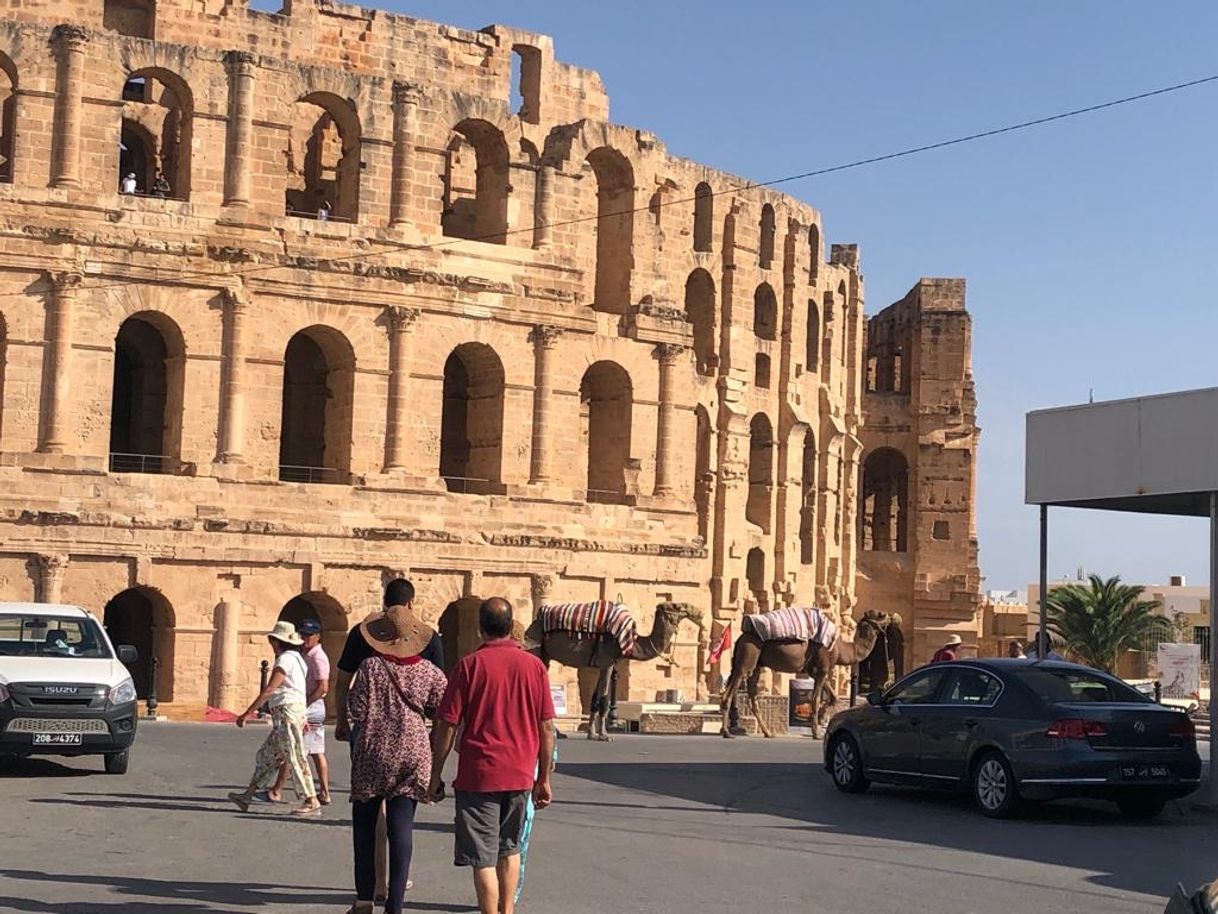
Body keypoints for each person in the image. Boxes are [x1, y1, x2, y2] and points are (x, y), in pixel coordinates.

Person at [428, 598, 555, 914]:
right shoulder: (535, 667)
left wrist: (435, 774)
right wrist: (544, 779)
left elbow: (447, 725)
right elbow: (547, 727)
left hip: (479, 775)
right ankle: (507, 910)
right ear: (512, 626)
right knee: (509, 850)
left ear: (479, 628)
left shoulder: (469, 666)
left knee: (482, 856)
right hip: (521, 774)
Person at [335, 578, 442, 900]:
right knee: (401, 828)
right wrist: (435, 755)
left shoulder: (368, 664)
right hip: (413, 749)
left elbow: (350, 697)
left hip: (372, 746)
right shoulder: (430, 665)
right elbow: (442, 710)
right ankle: (395, 903)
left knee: (366, 827)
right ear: (411, 605)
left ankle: (366, 898)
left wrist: (342, 722)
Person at [227, 622, 320, 817]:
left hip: (288, 712)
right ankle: (248, 794)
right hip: (287, 713)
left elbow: (270, 689)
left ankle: (311, 800)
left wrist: (247, 713)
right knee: (267, 755)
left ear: (277, 641)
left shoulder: (285, 659)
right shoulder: (297, 658)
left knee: (295, 755)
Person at [265, 618, 331, 804]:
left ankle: (280, 791)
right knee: (314, 750)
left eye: (309, 635)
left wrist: (304, 703)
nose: (305, 638)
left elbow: (323, 687)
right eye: (303, 634)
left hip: (312, 707)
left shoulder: (318, 657)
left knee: (294, 748)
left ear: (318, 636)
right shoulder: (304, 654)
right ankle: (324, 793)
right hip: (309, 706)